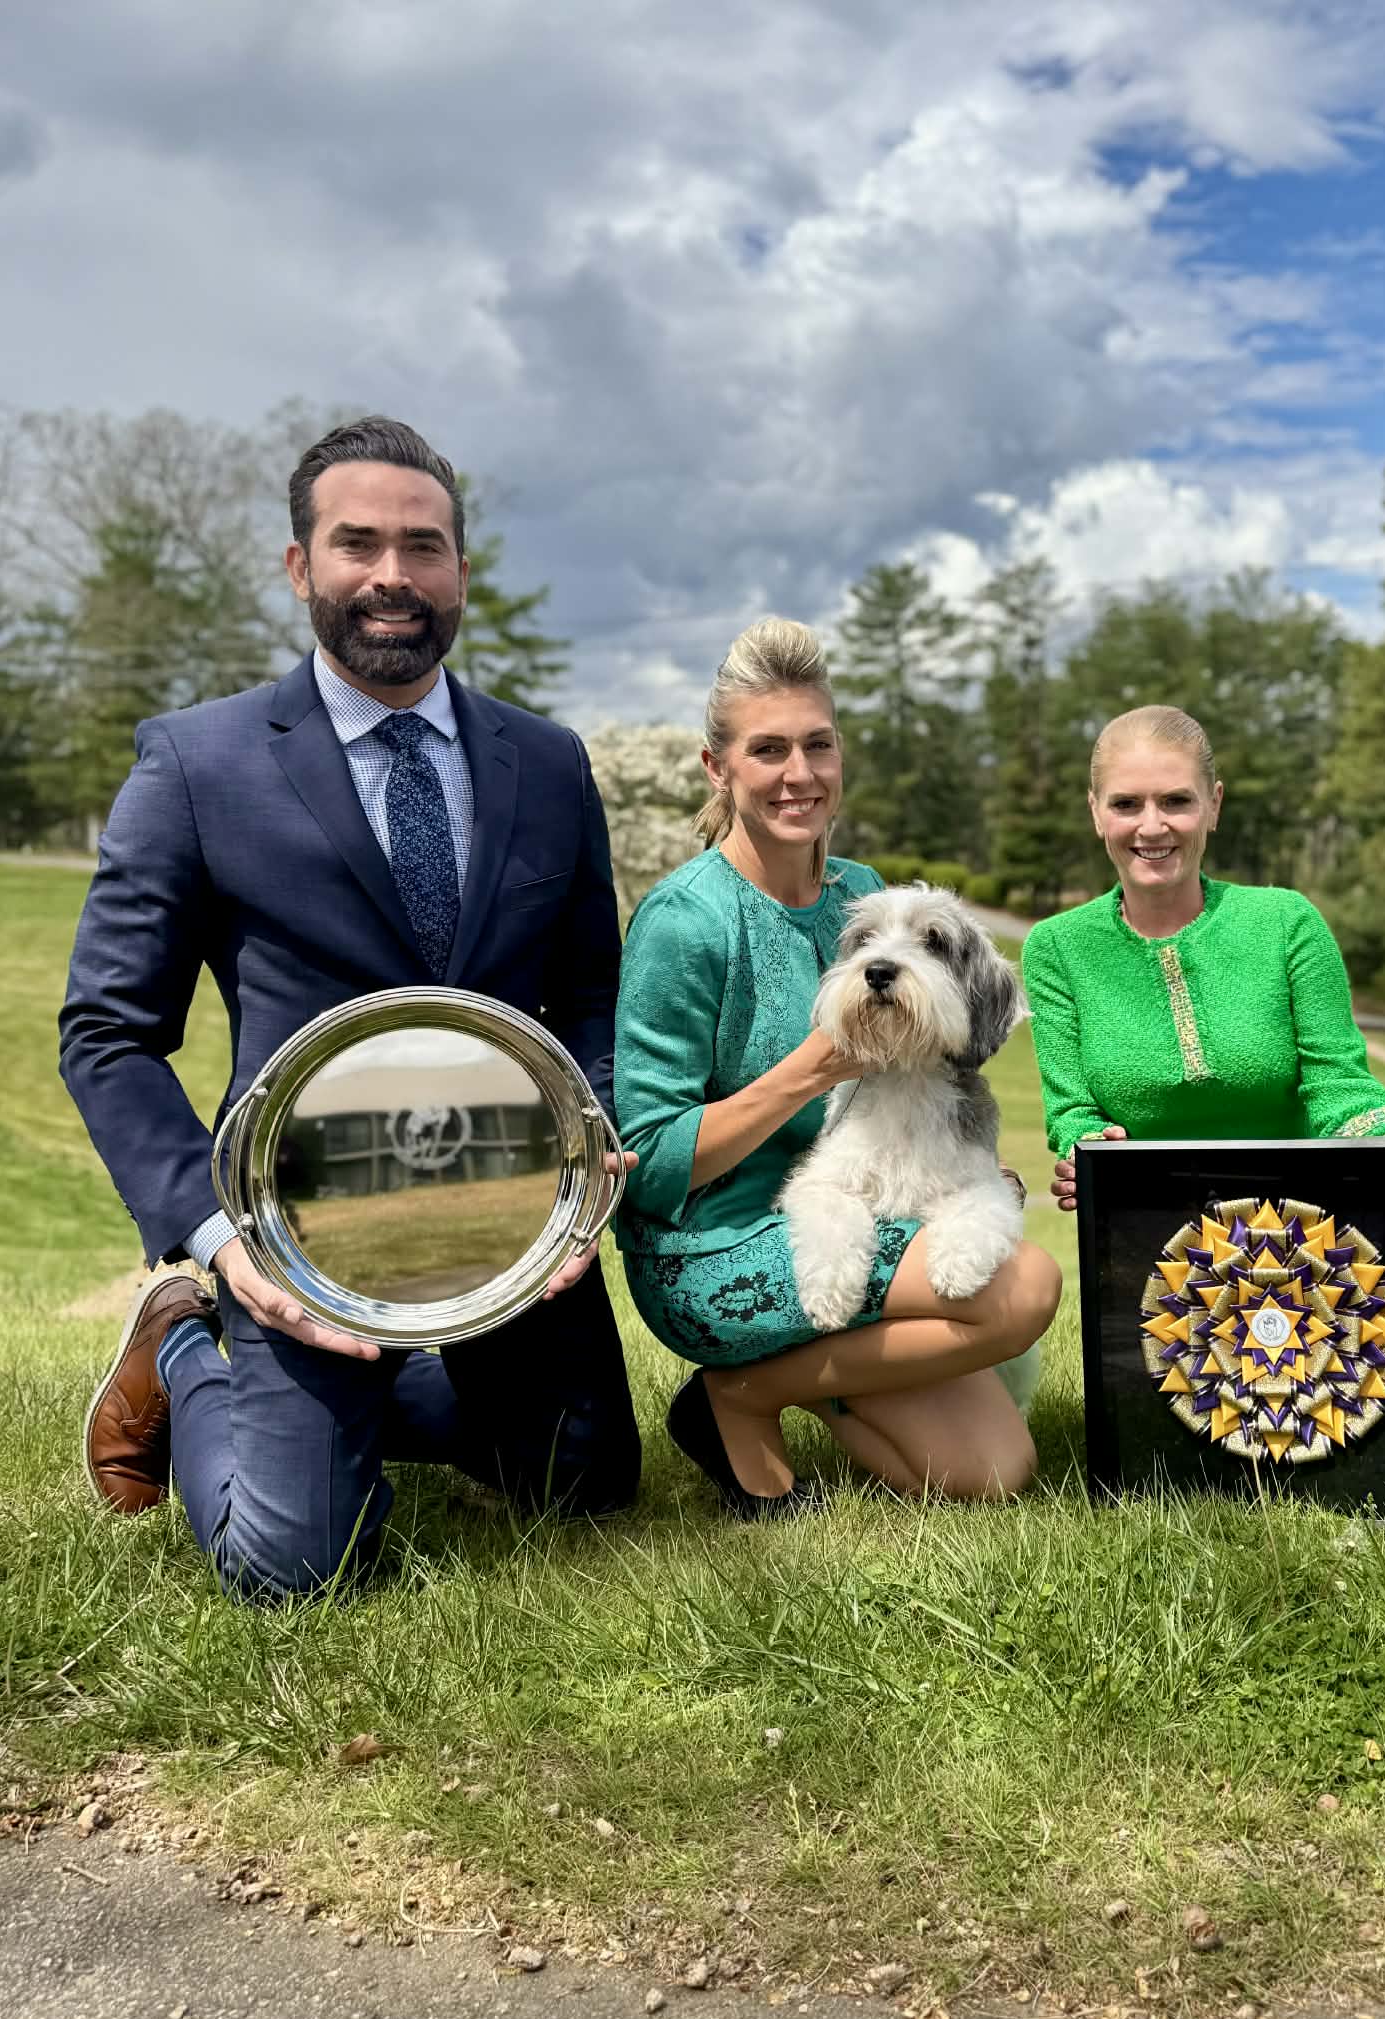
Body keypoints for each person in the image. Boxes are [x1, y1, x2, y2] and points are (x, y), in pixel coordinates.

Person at [61, 417, 641, 1599]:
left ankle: (372, 1404)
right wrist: (220, 1241)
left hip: (509, 1230)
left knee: (584, 1488)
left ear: (460, 571)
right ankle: (184, 1351)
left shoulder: (548, 762)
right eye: (357, 543)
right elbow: (108, 1032)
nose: (392, 574)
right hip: (297, 1240)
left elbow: (590, 992)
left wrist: (583, 1176)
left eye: (422, 546)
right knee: (297, 1570)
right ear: (300, 564)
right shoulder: (198, 764)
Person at [614, 618, 1060, 1517]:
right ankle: (742, 1392)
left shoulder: (863, 895)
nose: (799, 773)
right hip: (715, 1246)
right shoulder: (685, 922)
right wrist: (812, 1069)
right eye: (768, 749)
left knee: (992, 1469)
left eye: (818, 745)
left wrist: (961, 1172)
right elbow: (650, 1167)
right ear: (717, 768)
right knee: (1025, 1288)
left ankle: (783, 1380)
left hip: (870, 1217)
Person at [1029, 705, 1385, 1229]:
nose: (1152, 826)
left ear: (1215, 805)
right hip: (1148, 1230)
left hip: (1310, 1229)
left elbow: (1339, 1086)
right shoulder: (1055, 947)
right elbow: (1072, 1112)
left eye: (1176, 801)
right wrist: (1090, 1152)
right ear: (1096, 811)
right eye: (1126, 804)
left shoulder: (1286, 921)